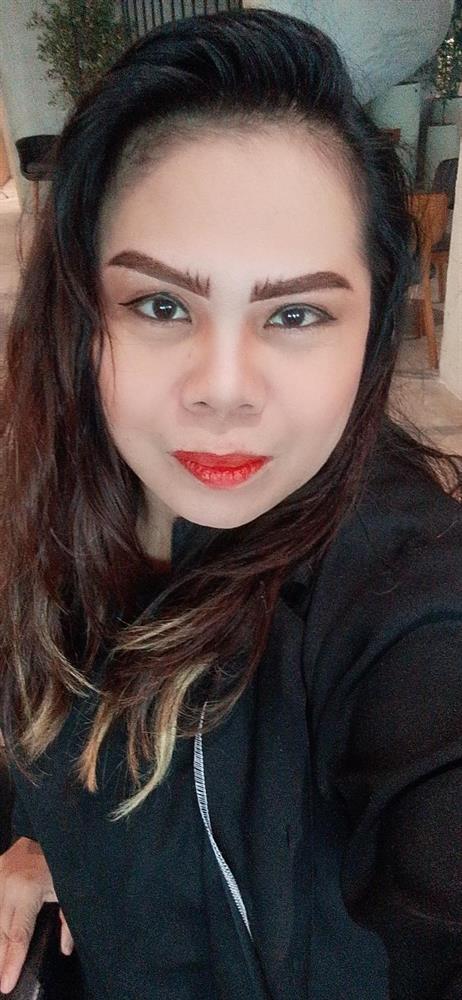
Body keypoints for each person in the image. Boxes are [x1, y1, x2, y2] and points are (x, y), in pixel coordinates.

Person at [1, 8, 461, 999]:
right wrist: (41, 843)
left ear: (373, 330)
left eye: (294, 313)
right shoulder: (48, 507)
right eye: (162, 305)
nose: (222, 389)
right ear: (82, 313)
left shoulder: (402, 590)